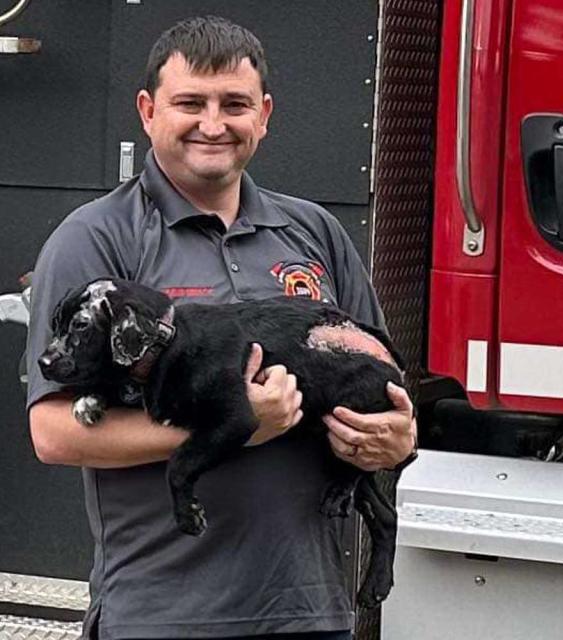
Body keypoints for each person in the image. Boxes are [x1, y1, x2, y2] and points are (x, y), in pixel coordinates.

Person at [25, 15, 416, 640]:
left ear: (263, 114)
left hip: (308, 610)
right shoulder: (97, 240)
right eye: (190, 103)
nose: (213, 124)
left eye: (234, 104)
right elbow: (53, 433)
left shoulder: (314, 232)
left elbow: (385, 383)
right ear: (148, 110)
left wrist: (394, 440)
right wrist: (234, 425)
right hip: (165, 615)